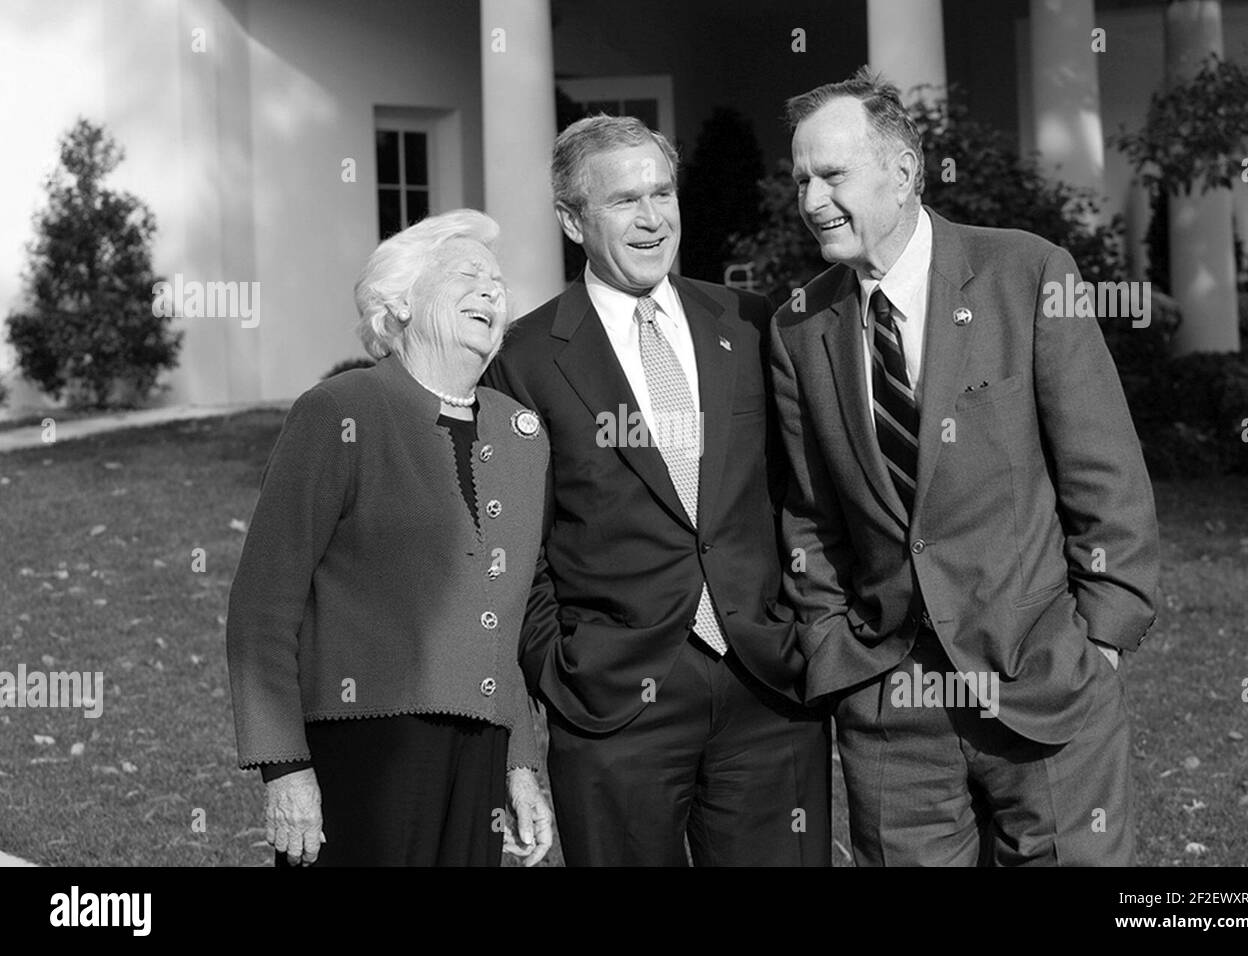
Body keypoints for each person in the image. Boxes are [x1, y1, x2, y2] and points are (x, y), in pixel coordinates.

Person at [771, 68, 1159, 866]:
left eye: (832, 175)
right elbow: (810, 511)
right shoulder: (799, 327)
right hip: (891, 708)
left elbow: (1104, 470)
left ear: (905, 171)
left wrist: (1105, 637)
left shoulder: (1027, 274)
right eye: (802, 178)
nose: (811, 200)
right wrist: (837, 654)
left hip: (1045, 685)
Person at [483, 114, 831, 867]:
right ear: (572, 222)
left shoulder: (748, 320)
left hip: (768, 686)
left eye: (663, 193)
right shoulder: (525, 360)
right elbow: (514, 549)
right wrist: (561, 668)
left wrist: (804, 626)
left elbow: (798, 491)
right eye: (623, 202)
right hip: (613, 703)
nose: (652, 219)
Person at [226, 209, 553, 867]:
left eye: (498, 282)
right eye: (468, 275)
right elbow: (263, 607)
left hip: (480, 753)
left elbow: (503, 620)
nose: (494, 291)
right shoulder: (339, 410)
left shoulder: (522, 434)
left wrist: (520, 765)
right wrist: (284, 768)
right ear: (400, 300)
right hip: (362, 747)